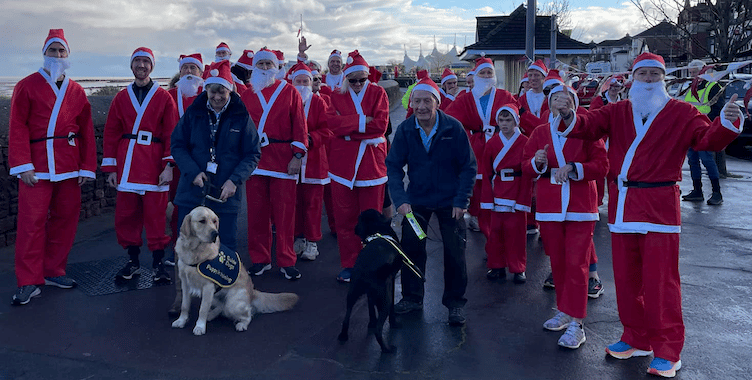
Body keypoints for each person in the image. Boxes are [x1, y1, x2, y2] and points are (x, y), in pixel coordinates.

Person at [551, 52, 743, 377]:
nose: (650, 80)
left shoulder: (683, 112)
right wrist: (571, 115)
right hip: (624, 206)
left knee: (661, 283)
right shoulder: (618, 111)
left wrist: (728, 120)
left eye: (656, 75)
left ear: (664, 79)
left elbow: (707, 140)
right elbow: (589, 124)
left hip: (659, 208)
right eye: (644, 75)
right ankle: (636, 337)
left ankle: (668, 349)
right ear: (633, 79)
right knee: (626, 280)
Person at [8, 29, 97, 305]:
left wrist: (86, 166)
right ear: (44, 53)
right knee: (31, 223)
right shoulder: (26, 85)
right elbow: (17, 127)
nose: (57, 55)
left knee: (65, 219)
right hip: (37, 166)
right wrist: (23, 165)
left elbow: (85, 130)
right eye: (52, 50)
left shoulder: (77, 91)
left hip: (69, 165)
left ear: (67, 55)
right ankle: (28, 280)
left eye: (61, 51)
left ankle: (53, 270)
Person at [168, 60, 261, 315]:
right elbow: (177, 145)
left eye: (222, 91)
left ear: (230, 91)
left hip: (224, 193)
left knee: (224, 247)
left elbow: (253, 153)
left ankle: (221, 300)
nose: (218, 96)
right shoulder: (194, 113)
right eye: (213, 91)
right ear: (206, 90)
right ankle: (182, 298)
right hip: (194, 188)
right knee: (185, 245)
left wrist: (235, 180)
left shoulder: (241, 117)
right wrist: (192, 172)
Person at [523, 85, 608, 349]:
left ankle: (577, 323)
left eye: (566, 98)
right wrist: (537, 161)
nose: (561, 103)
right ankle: (564, 310)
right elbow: (526, 166)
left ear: (573, 103)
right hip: (550, 207)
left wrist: (574, 168)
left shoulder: (587, 131)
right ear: (549, 104)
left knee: (577, 263)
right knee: (558, 262)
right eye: (556, 99)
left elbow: (602, 165)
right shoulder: (540, 132)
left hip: (581, 207)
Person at [386, 77, 476, 326]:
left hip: (451, 202)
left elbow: (468, 168)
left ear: (437, 102)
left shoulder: (453, 128)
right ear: (411, 102)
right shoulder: (405, 129)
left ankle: (455, 303)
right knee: (412, 249)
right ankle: (412, 297)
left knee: (455, 252)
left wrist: (462, 200)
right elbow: (393, 167)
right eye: (417, 101)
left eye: (427, 100)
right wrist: (401, 200)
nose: (422, 106)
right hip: (417, 203)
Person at [102, 47, 179, 283]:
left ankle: (158, 264)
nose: (142, 66)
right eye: (138, 62)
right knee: (127, 216)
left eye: (146, 62)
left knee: (156, 216)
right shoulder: (121, 97)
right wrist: (111, 167)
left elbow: (171, 134)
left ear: (152, 66)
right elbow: (111, 133)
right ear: (132, 66)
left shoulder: (164, 97)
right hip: (127, 164)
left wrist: (169, 166)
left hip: (154, 164)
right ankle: (133, 262)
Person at [241, 48, 308, 281]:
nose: (266, 68)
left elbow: (300, 126)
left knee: (285, 214)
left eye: (270, 64)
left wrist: (297, 156)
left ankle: (287, 260)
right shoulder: (247, 95)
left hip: (282, 159)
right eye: (261, 65)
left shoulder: (289, 92)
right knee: (257, 213)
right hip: (254, 160)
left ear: (277, 67)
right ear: (254, 67)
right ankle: (260, 259)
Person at [327, 50, 389, 283]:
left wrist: (349, 128)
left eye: (362, 79)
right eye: (352, 80)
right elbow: (332, 123)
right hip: (342, 165)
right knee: (345, 218)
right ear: (345, 79)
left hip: (371, 165)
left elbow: (381, 126)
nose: (357, 84)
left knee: (372, 219)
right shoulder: (335, 95)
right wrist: (365, 121)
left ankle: (373, 262)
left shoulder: (378, 92)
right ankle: (350, 263)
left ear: (367, 77)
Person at [445, 56, 516, 236]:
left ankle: (499, 233)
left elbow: (515, 114)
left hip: (499, 145)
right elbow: (448, 119)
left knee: (498, 188)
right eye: (482, 72)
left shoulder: (504, 95)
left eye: (489, 72)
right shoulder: (465, 98)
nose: (486, 76)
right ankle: (484, 226)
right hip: (476, 147)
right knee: (478, 189)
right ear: (476, 76)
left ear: (494, 75)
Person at [479, 105, 532, 284]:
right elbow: (486, 172)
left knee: (516, 233)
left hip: (517, 190)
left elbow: (527, 173)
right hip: (497, 190)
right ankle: (497, 266)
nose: (504, 124)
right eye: (501, 120)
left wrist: (523, 199)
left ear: (516, 120)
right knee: (495, 233)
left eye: (508, 120)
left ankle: (518, 269)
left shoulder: (525, 141)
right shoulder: (492, 142)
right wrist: (487, 198)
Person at [289, 62, 332, 261]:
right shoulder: (286, 102)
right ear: (292, 82)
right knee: (294, 202)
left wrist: (308, 139)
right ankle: (298, 236)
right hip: (290, 161)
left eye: (305, 81)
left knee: (313, 204)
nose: (302, 84)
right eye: (298, 81)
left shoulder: (319, 103)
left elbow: (328, 130)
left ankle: (312, 240)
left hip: (314, 161)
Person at [166, 53, 205, 265]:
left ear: (201, 72)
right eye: (185, 68)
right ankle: (178, 246)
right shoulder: (168, 96)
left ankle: (203, 249)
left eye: (193, 68)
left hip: (202, 160)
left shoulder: (209, 94)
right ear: (179, 72)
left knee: (204, 205)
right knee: (178, 204)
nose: (189, 72)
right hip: (176, 158)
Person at [682, 59, 724, 205]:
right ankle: (697, 191)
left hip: (705, 129)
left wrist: (702, 123)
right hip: (691, 130)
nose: (692, 75)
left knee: (707, 160)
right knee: (693, 160)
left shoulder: (713, 86)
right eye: (691, 72)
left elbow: (717, 110)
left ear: (703, 71)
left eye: (694, 72)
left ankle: (717, 192)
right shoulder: (691, 87)